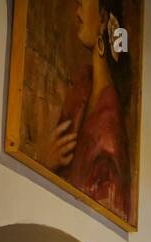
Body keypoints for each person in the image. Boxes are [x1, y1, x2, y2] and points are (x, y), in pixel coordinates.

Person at [45, 0, 133, 221]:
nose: (77, 12)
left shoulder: (108, 126)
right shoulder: (83, 85)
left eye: (82, 3)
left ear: (103, 18)